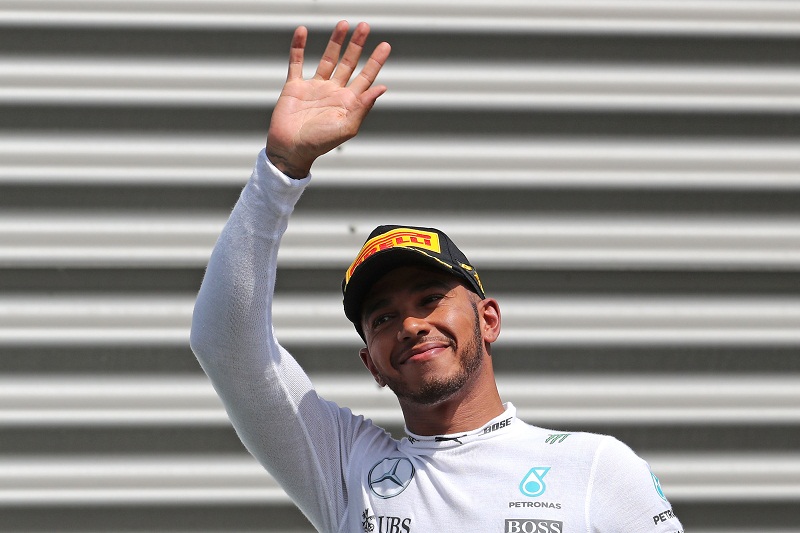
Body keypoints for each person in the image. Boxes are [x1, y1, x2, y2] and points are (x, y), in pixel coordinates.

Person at [190, 21, 684, 533]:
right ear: (372, 365)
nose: (410, 324)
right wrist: (280, 170)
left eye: (429, 298)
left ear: (488, 318)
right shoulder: (347, 469)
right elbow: (225, 343)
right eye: (382, 317)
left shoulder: (595, 468)